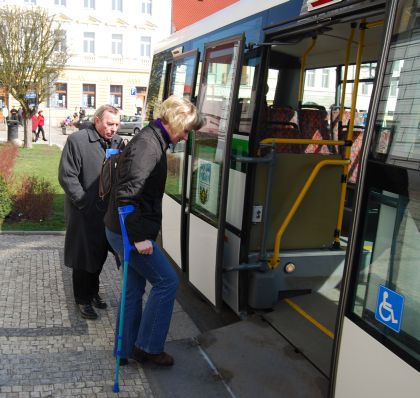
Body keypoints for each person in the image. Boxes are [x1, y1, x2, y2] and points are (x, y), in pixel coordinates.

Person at [104, 95, 204, 366]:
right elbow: (127, 195)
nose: (185, 136)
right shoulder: (149, 145)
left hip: (121, 227)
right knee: (167, 282)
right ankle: (147, 347)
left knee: (134, 290)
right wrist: (138, 238)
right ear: (176, 122)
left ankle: (124, 351)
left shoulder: (153, 140)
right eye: (186, 130)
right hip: (127, 231)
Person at [58, 105, 124, 320]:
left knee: (99, 254)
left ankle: (93, 292)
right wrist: (85, 203)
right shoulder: (77, 141)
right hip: (83, 212)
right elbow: (67, 176)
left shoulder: (117, 143)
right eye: (109, 123)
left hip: (106, 213)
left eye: (116, 124)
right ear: (97, 120)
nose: (113, 129)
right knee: (82, 257)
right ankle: (82, 299)